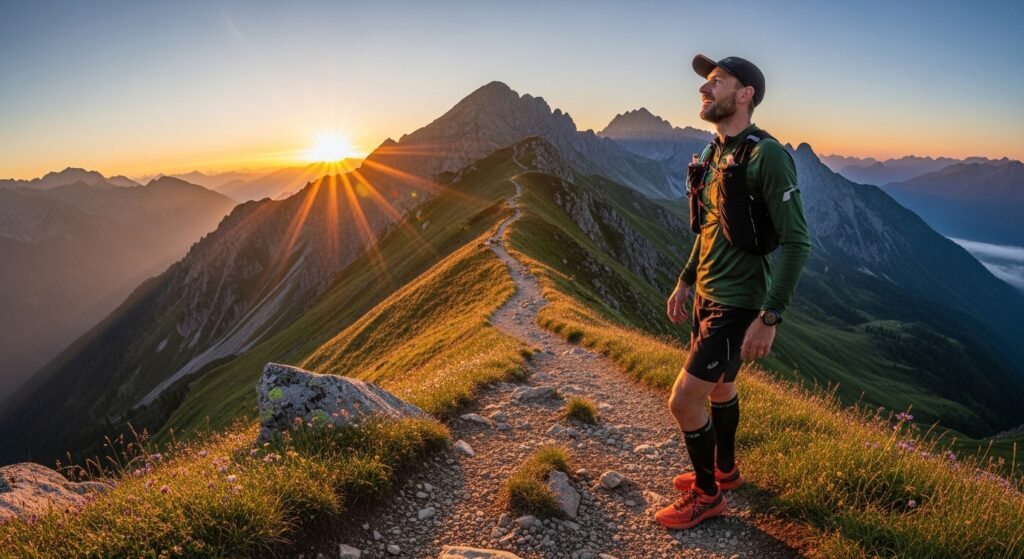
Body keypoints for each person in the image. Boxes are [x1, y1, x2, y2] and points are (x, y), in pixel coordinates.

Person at [654, 54, 811, 530]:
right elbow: (707, 229)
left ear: (745, 95)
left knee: (683, 402)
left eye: (717, 81)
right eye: (705, 82)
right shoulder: (714, 154)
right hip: (706, 294)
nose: (705, 89)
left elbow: (797, 241)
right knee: (721, 386)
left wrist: (770, 316)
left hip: (737, 304)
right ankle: (725, 470)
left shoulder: (768, 156)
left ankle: (708, 496)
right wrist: (685, 280)